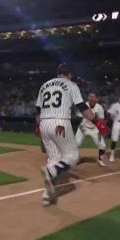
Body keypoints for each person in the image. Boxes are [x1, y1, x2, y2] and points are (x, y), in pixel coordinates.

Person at [36, 63, 94, 207]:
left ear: (58, 73)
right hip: (60, 123)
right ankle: (52, 171)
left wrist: (42, 130)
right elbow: (82, 108)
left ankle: (46, 195)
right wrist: (92, 116)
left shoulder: (45, 85)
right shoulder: (71, 85)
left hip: (44, 123)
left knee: (53, 158)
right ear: (70, 74)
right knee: (72, 156)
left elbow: (37, 111)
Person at [75, 92, 108, 167]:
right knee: (76, 143)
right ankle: (74, 158)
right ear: (88, 98)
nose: (91, 98)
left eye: (93, 97)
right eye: (90, 97)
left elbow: (101, 120)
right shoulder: (83, 106)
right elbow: (78, 117)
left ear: (96, 99)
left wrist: (101, 130)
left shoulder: (99, 107)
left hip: (94, 128)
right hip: (83, 127)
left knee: (102, 145)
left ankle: (100, 159)